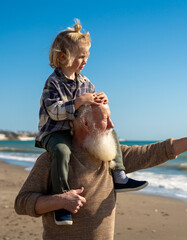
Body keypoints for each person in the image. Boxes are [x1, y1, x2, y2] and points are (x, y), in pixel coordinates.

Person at [15, 104, 187, 240]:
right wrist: (59, 201)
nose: (112, 125)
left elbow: (156, 151)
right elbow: (22, 202)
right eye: (106, 119)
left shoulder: (110, 156)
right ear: (85, 123)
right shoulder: (53, 159)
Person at [35, 19, 147, 225]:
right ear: (63, 57)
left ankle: (119, 175)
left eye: (87, 56)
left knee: (109, 130)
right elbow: (54, 111)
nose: (85, 60)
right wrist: (78, 102)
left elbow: (92, 109)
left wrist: (100, 99)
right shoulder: (53, 82)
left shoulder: (86, 82)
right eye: (81, 56)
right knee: (62, 152)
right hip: (54, 131)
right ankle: (62, 200)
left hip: (77, 129)